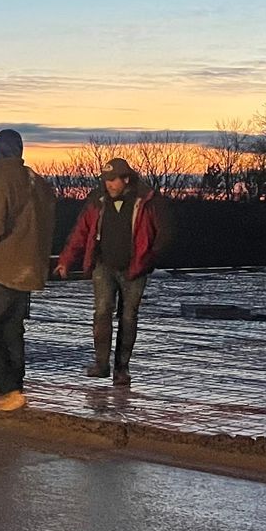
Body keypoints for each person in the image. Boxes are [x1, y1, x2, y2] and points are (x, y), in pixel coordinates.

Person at [0, 128, 56, 412]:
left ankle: (8, 389)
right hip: (29, 269)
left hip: (1, 270)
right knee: (12, 330)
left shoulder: (0, 181)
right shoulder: (37, 183)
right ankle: (16, 389)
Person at [53, 157, 163, 386]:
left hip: (135, 267)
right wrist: (66, 260)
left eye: (113, 180)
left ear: (126, 179)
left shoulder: (146, 200)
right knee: (102, 312)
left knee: (128, 317)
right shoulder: (98, 201)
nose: (109, 184)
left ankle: (122, 368)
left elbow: (163, 233)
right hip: (103, 265)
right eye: (106, 180)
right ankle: (101, 364)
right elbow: (81, 231)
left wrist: (148, 259)